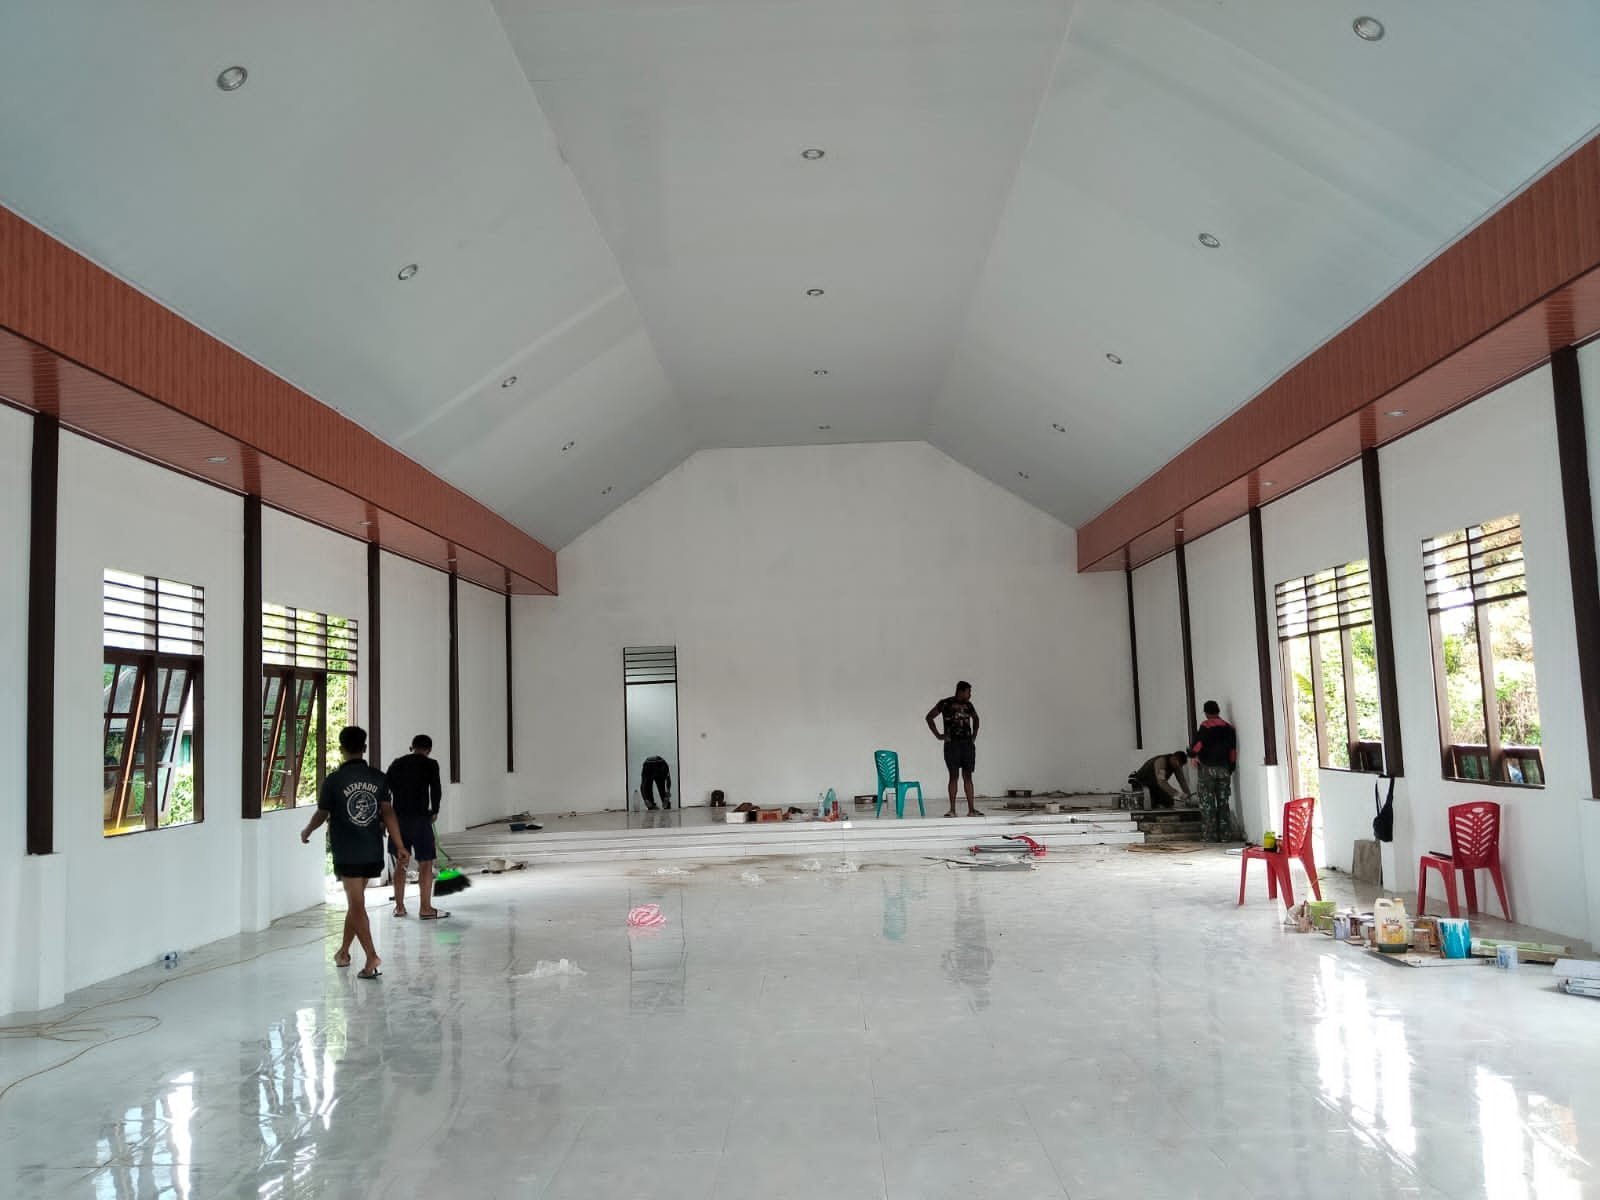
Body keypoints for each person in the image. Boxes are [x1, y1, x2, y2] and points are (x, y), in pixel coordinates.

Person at [301, 726, 409, 979]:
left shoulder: (334, 781)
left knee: (357, 905)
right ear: (365, 748)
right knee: (356, 903)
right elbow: (388, 812)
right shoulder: (378, 778)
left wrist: (307, 830)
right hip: (371, 849)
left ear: (341, 749)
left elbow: (322, 813)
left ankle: (371, 956)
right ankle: (343, 952)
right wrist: (400, 844)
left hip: (347, 850)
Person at [385, 734, 446, 919]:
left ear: (411, 747)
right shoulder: (430, 764)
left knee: (401, 862)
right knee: (426, 863)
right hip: (420, 818)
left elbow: (386, 788)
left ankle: (399, 907)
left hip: (399, 820)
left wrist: (386, 817)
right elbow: (436, 789)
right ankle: (425, 908)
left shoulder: (397, 763)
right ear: (429, 750)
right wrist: (435, 810)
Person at [926, 681, 983, 817]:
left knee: (968, 776)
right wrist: (939, 735)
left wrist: (974, 735)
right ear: (961, 691)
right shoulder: (945, 703)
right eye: (968, 692)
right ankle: (952, 810)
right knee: (953, 776)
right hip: (952, 745)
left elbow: (976, 718)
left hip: (967, 745)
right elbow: (929, 717)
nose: (970, 695)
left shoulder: (969, 705)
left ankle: (971, 810)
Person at [1191, 700, 1239, 842]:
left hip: (1207, 769)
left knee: (1207, 802)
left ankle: (1210, 835)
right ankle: (1225, 835)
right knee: (1223, 802)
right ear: (1218, 711)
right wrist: (1231, 767)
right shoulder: (1229, 728)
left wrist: (1193, 755)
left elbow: (1198, 745)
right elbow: (1232, 750)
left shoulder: (1205, 726)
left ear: (1206, 713)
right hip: (1224, 769)